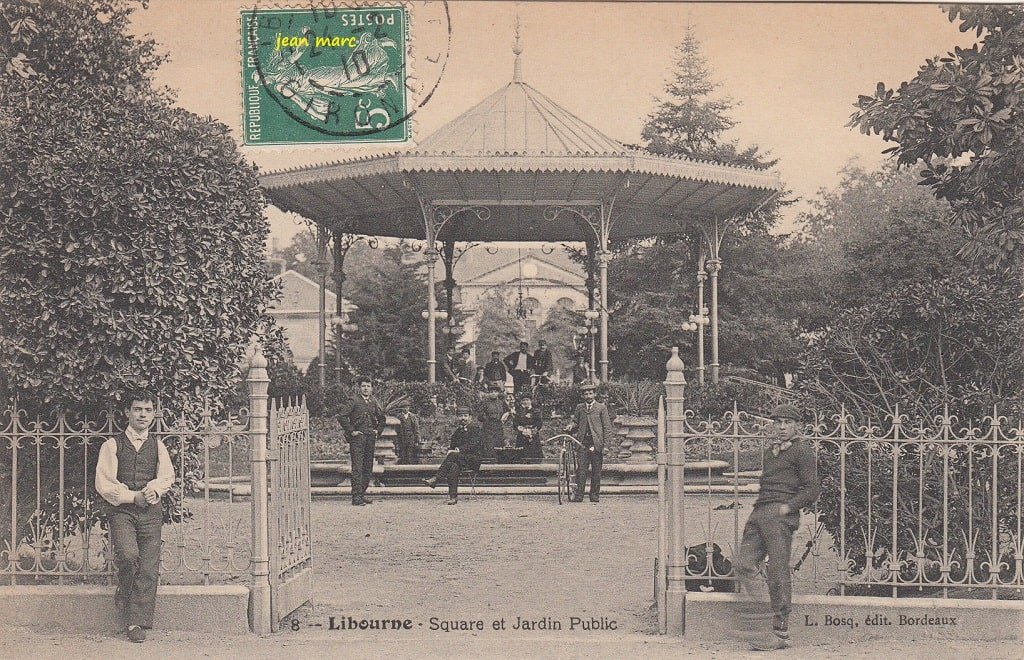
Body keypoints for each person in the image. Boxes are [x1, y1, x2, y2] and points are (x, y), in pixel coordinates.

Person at [734, 403, 820, 646]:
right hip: (759, 511)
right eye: (778, 422)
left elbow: (812, 489)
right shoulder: (770, 451)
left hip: (780, 514)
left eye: (788, 423)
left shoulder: (802, 451)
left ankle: (780, 629)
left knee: (777, 569)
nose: (782, 427)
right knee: (743, 563)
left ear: (796, 425)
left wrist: (787, 508)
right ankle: (764, 619)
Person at [95, 391, 174, 643]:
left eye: (148, 410)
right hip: (123, 511)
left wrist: (155, 489)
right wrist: (132, 497)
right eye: (138, 409)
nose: (142, 415)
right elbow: (104, 483)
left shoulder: (158, 446)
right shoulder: (112, 445)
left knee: (149, 567)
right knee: (129, 556)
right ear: (127, 413)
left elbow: (167, 477)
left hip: (150, 512)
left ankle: (135, 622)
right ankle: (124, 591)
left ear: (153, 414)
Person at [338, 377, 385, 506]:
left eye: (368, 386)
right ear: (359, 387)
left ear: (372, 388)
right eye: (363, 386)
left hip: (370, 438)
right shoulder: (354, 400)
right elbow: (342, 416)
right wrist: (351, 431)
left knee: (367, 468)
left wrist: (377, 431)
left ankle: (362, 494)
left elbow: (382, 418)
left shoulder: (373, 401)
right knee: (357, 468)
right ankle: (356, 497)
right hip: (357, 439)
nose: (366, 388)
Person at [564, 383, 614, 503]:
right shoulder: (580, 408)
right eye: (586, 393)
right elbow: (576, 422)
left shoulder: (601, 408)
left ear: (595, 394)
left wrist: (606, 445)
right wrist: (571, 425)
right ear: (582, 395)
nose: (588, 395)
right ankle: (579, 495)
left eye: (590, 393)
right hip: (582, 443)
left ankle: (594, 495)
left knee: (596, 471)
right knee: (581, 470)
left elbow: (607, 427)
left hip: (596, 443)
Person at [422, 406, 483, 504]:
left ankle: (436, 479)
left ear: (470, 417)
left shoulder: (475, 429)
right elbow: (452, 447)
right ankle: (453, 497)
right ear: (457, 418)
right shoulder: (457, 432)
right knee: (453, 467)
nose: (463, 418)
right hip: (459, 460)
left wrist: (458, 450)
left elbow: (474, 445)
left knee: (452, 456)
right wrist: (451, 451)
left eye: (465, 416)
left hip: (473, 460)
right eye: (460, 416)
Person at [476, 384, 509, 461]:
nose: (493, 393)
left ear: (498, 393)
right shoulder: (485, 402)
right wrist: (486, 420)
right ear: (489, 393)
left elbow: (507, 412)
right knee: (489, 444)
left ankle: (499, 462)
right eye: (491, 392)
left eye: (495, 392)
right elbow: (480, 416)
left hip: (498, 425)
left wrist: (504, 418)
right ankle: (489, 461)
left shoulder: (501, 402)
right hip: (488, 426)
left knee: (499, 442)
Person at [513, 394, 544, 462]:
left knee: (534, 452)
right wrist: (520, 428)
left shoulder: (536, 411)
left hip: (533, 435)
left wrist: (532, 431)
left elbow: (539, 423)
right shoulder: (519, 411)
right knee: (521, 452)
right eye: (523, 400)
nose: (525, 402)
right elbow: (515, 423)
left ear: (531, 401)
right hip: (522, 434)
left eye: (527, 400)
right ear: (521, 402)